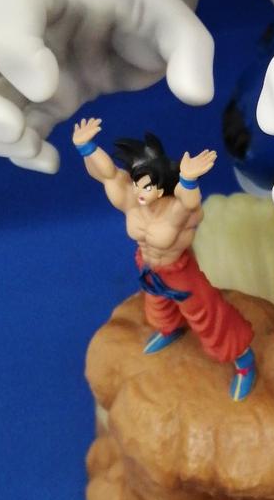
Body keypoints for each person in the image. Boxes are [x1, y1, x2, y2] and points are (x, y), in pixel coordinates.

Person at [72, 117, 256, 400]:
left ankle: (243, 360)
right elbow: (107, 174)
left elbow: (189, 201)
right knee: (157, 304)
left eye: (147, 187)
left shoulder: (175, 210)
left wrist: (188, 179)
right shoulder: (131, 200)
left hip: (179, 271)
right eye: (138, 184)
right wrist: (86, 147)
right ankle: (170, 328)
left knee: (207, 313)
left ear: (160, 187)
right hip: (148, 266)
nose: (140, 191)